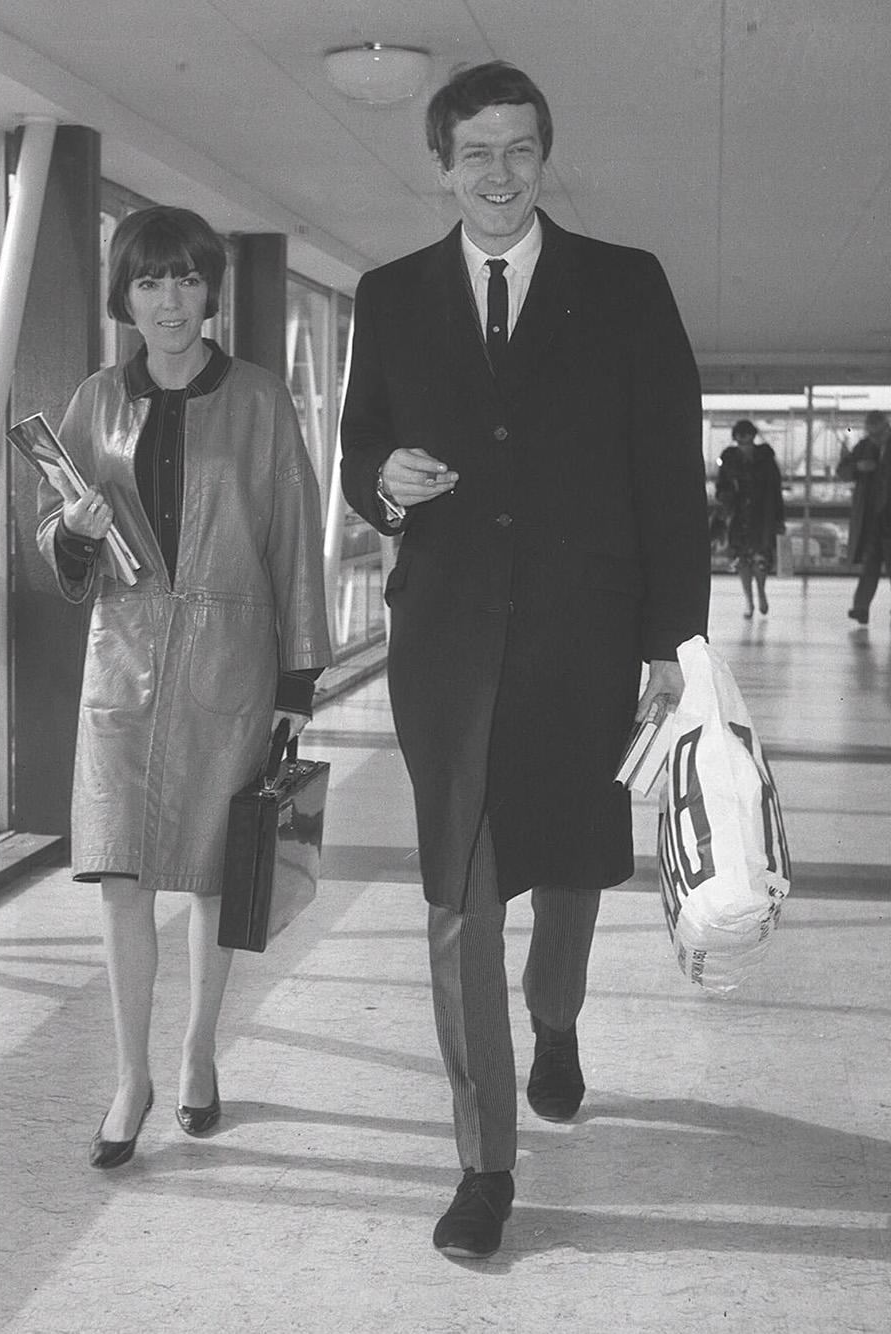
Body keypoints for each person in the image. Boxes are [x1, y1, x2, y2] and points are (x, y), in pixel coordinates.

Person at [341, 62, 710, 1258]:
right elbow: (361, 447)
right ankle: (483, 1165)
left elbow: (667, 474)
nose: (498, 175)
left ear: (543, 157)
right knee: (458, 896)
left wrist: (674, 642)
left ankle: (555, 1018)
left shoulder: (623, 284)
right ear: (439, 165)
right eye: (475, 153)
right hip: (446, 642)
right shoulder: (389, 294)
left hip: (581, 639)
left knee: (566, 864)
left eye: (519, 150)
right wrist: (383, 486)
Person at [36, 206, 331, 1168]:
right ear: (125, 295)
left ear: (212, 291)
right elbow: (60, 541)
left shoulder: (257, 400)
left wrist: (298, 675)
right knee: (118, 875)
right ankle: (132, 1078)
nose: (170, 301)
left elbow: (293, 533)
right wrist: (72, 530)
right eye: (151, 281)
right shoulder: (94, 400)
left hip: (226, 662)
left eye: (188, 280)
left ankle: (199, 1054)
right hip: (121, 660)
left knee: (211, 871)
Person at [714, 419, 786, 617]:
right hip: (744, 517)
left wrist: (778, 519)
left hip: (759, 516)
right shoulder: (732, 461)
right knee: (744, 559)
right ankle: (750, 599)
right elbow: (721, 489)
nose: (743, 442)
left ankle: (759, 594)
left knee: (757, 558)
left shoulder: (764, 460)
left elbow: (775, 488)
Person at [837, 409, 891, 625]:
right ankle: (861, 608)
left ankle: (861, 607)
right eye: (871, 435)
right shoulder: (864, 447)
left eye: (878, 435)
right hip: (871, 519)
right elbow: (842, 470)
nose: (875, 440)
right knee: (869, 565)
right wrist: (858, 467)